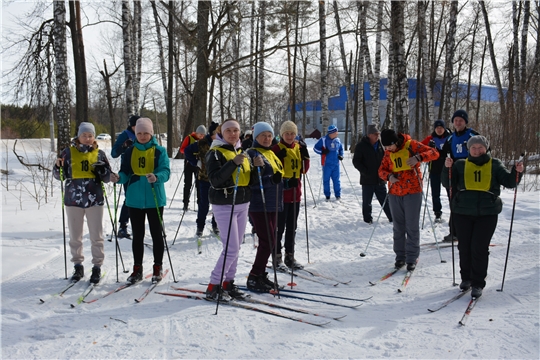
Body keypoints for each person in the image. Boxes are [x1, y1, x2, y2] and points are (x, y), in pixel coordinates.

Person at [442, 135, 523, 298]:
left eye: (480, 147)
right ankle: (466, 278)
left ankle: (478, 282)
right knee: (464, 247)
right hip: (462, 212)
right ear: (468, 149)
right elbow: (447, 183)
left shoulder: (495, 165)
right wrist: (446, 168)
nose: (477, 150)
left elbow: (509, 182)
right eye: (473, 147)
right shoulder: (460, 164)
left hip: (487, 213)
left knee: (479, 248)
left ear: (486, 148)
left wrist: (517, 172)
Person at [204, 119, 263, 301]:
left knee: (236, 247)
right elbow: (215, 180)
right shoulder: (215, 153)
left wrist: (256, 168)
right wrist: (233, 164)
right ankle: (214, 285)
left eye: (236, 130)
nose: (233, 134)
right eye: (228, 130)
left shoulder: (241, 152)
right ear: (221, 133)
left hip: (242, 203)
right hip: (224, 204)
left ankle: (228, 282)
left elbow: (247, 180)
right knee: (231, 248)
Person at [110, 118, 170, 284]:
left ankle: (157, 266)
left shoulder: (159, 151)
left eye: (146, 133)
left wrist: (156, 177)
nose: (143, 136)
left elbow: (166, 171)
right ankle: (137, 269)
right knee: (138, 235)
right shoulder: (129, 152)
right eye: (140, 133)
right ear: (135, 134)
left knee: (157, 234)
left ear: (151, 134)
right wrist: (117, 178)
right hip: (134, 199)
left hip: (155, 198)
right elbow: (125, 173)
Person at [53, 122, 112, 284]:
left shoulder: (99, 154)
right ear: (78, 136)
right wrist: (57, 167)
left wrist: (104, 173)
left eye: (90, 135)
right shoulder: (68, 153)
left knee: (96, 235)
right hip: (73, 199)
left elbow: (108, 177)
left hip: (95, 198)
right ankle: (78, 266)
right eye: (84, 135)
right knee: (75, 236)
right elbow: (59, 176)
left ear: (94, 137)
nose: (87, 138)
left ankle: (97, 267)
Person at [378, 129, 439, 271]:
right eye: (385, 147)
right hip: (394, 192)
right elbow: (381, 170)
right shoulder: (388, 153)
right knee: (398, 226)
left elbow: (434, 153)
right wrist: (388, 177)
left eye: (389, 146)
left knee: (411, 226)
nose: (388, 149)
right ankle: (400, 256)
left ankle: (412, 257)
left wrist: (419, 158)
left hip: (413, 191)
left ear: (395, 142)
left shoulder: (411, 145)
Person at [246, 122, 285, 292]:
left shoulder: (270, 153)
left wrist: (286, 181)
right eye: (264, 136)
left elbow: (278, 175)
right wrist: (270, 179)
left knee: (270, 240)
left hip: (273, 202)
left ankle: (260, 274)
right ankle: (254, 276)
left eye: (269, 136)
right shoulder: (251, 153)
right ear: (256, 137)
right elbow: (252, 180)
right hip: (258, 203)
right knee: (268, 241)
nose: (267, 139)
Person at [272, 120, 310, 269]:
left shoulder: (298, 147)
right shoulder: (276, 148)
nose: (289, 136)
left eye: (292, 133)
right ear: (282, 134)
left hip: (295, 193)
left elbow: (304, 170)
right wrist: (279, 157)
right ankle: (276, 256)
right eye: (287, 133)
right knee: (279, 227)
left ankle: (290, 255)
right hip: (281, 194)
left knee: (292, 227)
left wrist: (305, 156)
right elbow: (273, 171)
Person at [441, 109, 481, 241]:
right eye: (455, 120)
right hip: (455, 172)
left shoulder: (473, 135)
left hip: (469, 173)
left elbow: (484, 151)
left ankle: (470, 231)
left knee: (467, 202)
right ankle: (454, 232)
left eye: (461, 120)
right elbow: (443, 154)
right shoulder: (450, 138)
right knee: (454, 202)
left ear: (465, 122)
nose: (458, 123)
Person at [184, 121, 220, 237]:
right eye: (218, 132)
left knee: (218, 204)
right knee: (204, 204)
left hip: (219, 179)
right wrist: (196, 162)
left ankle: (216, 225)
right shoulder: (202, 142)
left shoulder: (222, 143)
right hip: (204, 178)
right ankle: (200, 227)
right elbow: (187, 150)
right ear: (213, 133)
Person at [352, 124, 392, 224]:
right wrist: (365, 171)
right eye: (375, 134)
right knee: (367, 202)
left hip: (380, 178)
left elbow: (385, 159)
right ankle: (367, 219)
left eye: (378, 134)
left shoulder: (380, 145)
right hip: (367, 179)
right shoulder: (361, 146)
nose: (377, 136)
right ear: (369, 134)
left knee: (385, 200)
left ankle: (392, 217)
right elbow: (356, 161)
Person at [110, 114, 140, 238]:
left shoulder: (144, 133)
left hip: (143, 169)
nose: (137, 128)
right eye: (134, 126)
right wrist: (123, 147)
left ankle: (139, 225)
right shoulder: (125, 135)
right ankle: (123, 226)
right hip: (128, 170)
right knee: (129, 198)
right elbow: (113, 153)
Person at [420, 119, 452, 222]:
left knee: (450, 192)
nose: (439, 130)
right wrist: (427, 148)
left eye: (441, 128)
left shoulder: (450, 137)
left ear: (444, 128)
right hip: (434, 169)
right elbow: (419, 147)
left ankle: (454, 212)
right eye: (437, 128)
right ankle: (437, 213)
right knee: (435, 193)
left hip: (448, 170)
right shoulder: (431, 139)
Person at [313, 125, 344, 200]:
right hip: (326, 164)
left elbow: (341, 149)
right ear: (331, 133)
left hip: (336, 164)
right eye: (336, 132)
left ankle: (338, 195)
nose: (337, 133)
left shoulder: (337, 140)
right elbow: (315, 148)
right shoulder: (323, 140)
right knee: (326, 180)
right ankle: (327, 195)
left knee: (336, 180)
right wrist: (322, 152)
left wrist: (341, 155)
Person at [179, 125, 206, 211]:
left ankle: (199, 203)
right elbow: (182, 149)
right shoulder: (189, 138)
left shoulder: (204, 140)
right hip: (188, 163)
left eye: (203, 135)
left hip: (198, 163)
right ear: (196, 133)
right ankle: (185, 203)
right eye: (200, 134)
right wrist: (190, 150)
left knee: (199, 184)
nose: (201, 136)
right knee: (188, 183)